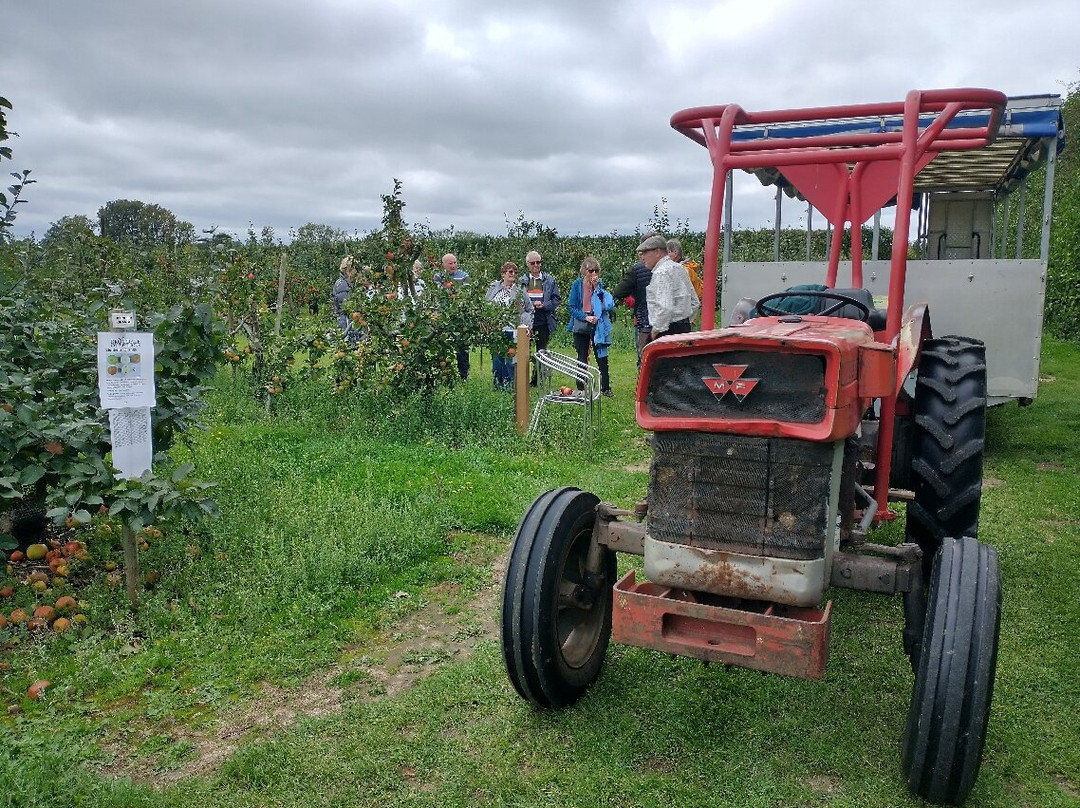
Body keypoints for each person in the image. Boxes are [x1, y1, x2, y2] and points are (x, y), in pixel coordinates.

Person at [567, 255, 615, 397]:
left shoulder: (600, 284)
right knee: (582, 356)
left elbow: (604, 303)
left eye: (596, 271)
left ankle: (605, 387)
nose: (593, 274)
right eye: (590, 271)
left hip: (597, 324)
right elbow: (572, 306)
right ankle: (581, 387)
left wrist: (596, 287)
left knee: (602, 355)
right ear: (584, 271)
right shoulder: (577, 285)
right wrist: (585, 317)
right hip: (582, 323)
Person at [640, 234, 700, 340]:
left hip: (666, 331)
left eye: (645, 253)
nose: (642, 257)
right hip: (684, 328)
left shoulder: (661, 273)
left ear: (657, 252)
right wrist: (685, 321)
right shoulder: (680, 268)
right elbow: (694, 302)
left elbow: (665, 307)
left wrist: (655, 331)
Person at [519, 250, 560, 386]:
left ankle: (537, 380)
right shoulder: (523, 281)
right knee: (524, 351)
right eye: (533, 263)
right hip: (526, 321)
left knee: (541, 351)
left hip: (543, 319)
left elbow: (556, 299)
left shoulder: (549, 280)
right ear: (527, 264)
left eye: (538, 262)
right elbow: (517, 300)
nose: (536, 265)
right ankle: (523, 378)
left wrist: (544, 305)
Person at [613, 240, 655, 369]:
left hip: (644, 321)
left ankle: (644, 388)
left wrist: (633, 299)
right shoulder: (672, 267)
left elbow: (619, 292)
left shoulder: (637, 269)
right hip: (667, 323)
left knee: (644, 359)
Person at [485, 261, 521, 390]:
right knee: (497, 358)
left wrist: (525, 324)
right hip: (496, 328)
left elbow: (529, 309)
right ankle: (497, 385)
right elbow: (486, 304)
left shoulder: (519, 291)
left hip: (512, 329)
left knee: (510, 359)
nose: (513, 274)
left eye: (515, 272)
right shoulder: (493, 288)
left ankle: (509, 385)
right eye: (510, 272)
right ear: (503, 274)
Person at [435, 253, 470, 380]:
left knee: (462, 348)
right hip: (444, 316)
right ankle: (446, 375)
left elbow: (466, 293)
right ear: (444, 265)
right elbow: (439, 294)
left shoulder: (464, 275)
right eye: (450, 263)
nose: (453, 265)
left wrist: (450, 290)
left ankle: (464, 376)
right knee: (444, 348)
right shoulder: (438, 276)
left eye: (455, 262)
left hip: (460, 316)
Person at [332, 255, 361, 343]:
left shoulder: (347, 283)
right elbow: (346, 307)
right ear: (348, 270)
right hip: (347, 323)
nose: (358, 272)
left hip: (349, 321)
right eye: (356, 269)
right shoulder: (342, 285)